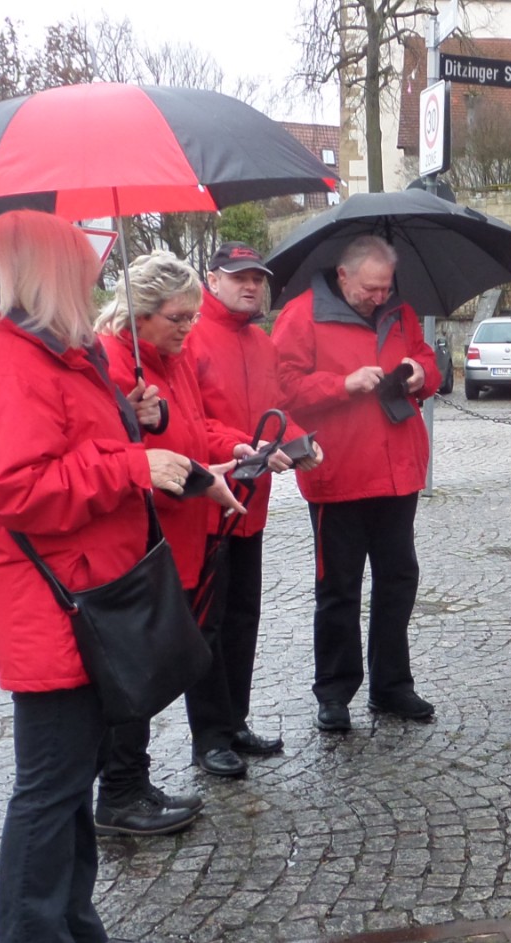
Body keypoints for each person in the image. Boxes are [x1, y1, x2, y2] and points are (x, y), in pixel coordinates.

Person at [0, 211, 198, 943]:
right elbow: (20, 490)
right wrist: (129, 463)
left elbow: (66, 445)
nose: (92, 280)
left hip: (84, 592)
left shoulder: (56, 354)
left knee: (73, 781)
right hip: (50, 602)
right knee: (49, 791)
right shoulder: (7, 364)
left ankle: (73, 927)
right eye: (79, 269)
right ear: (46, 275)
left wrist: (127, 412)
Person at [94, 253, 308, 832]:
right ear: (140, 314)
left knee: (211, 632)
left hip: (194, 520)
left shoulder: (175, 356)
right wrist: (140, 425)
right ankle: (123, 787)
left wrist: (234, 447)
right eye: (178, 317)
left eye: (192, 316)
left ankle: (136, 780)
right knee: (144, 660)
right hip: (152, 531)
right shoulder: (114, 359)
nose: (190, 326)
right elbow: (113, 454)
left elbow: (194, 427)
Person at [273, 236, 437, 732]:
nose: (379, 297)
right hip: (337, 474)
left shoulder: (400, 312)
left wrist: (419, 372)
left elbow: (428, 362)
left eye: (386, 288)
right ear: (343, 277)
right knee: (338, 589)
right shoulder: (301, 316)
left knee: (397, 582)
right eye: (370, 289)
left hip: (397, 472)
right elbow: (281, 389)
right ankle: (334, 692)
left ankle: (392, 685)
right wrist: (342, 385)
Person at [184, 244, 298, 773]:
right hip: (208, 504)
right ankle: (209, 736)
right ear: (212, 280)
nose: (251, 286)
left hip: (251, 505)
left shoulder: (261, 342)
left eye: (257, 278)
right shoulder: (191, 337)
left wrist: (300, 442)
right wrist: (239, 446)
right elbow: (191, 423)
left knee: (243, 618)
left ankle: (234, 721)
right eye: (239, 277)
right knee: (207, 623)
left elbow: (277, 411)